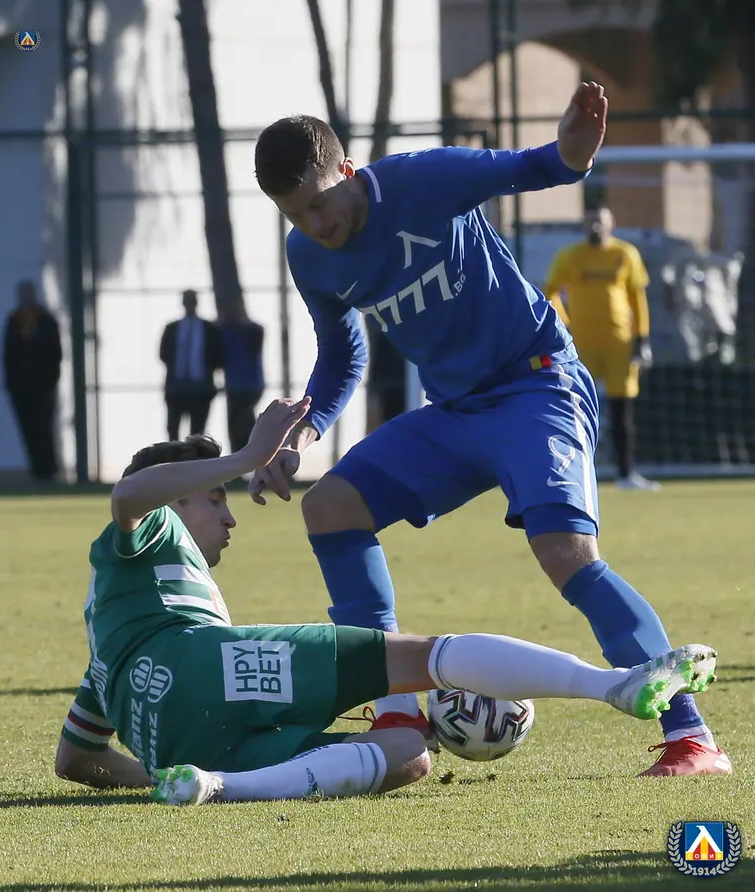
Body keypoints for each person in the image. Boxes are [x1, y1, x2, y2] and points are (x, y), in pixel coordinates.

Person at [248, 83, 731, 777]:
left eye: (320, 204)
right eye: (294, 214)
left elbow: (537, 167)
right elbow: (343, 354)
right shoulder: (309, 255)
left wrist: (573, 154)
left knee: (565, 552)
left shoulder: (423, 180)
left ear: (347, 170)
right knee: (330, 507)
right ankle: (396, 711)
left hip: (537, 385)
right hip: (455, 412)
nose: (314, 224)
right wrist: (306, 429)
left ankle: (691, 736)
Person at [53, 412, 719, 805]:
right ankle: (614, 686)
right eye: (214, 499)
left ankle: (217, 786)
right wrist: (250, 455)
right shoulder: (151, 529)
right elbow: (128, 497)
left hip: (177, 739)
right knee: (424, 657)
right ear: (175, 499)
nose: (229, 518)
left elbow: (75, 759)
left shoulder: (111, 636)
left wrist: (152, 769)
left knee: (406, 753)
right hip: (202, 664)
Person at [544, 206, 659, 491]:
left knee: (622, 409)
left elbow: (637, 298)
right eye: (590, 221)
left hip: (619, 342)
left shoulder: (625, 254)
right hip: (581, 344)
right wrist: (564, 325)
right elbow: (550, 291)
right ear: (583, 225)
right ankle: (572, 474)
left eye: (600, 221)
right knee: (575, 408)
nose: (595, 226)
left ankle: (626, 474)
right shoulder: (570, 256)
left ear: (612, 224)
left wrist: (641, 338)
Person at [2, 280, 62, 481]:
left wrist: (51, 381)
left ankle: (49, 471)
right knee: (28, 430)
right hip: (21, 389)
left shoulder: (46, 321)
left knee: (44, 429)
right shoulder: (14, 321)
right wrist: (11, 384)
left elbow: (55, 354)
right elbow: (7, 356)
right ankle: (36, 470)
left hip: (43, 387)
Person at [159, 290, 224, 441]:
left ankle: (193, 456)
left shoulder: (209, 328)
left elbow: (218, 356)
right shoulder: (172, 328)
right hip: (176, 387)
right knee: (173, 430)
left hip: (201, 388)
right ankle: (175, 456)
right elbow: (163, 354)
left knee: (197, 433)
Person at [219, 303, 265, 451]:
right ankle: (241, 453)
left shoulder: (251, 332)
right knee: (235, 425)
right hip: (235, 386)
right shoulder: (227, 332)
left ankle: (250, 452)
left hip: (249, 386)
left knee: (244, 423)